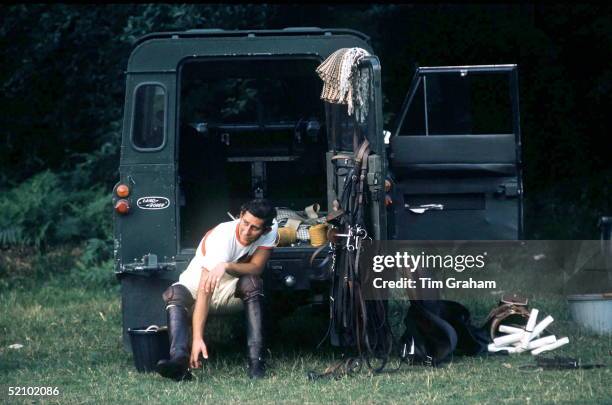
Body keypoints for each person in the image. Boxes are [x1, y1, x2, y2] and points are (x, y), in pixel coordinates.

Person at [156, 199, 278, 380]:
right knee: (175, 294)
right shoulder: (222, 237)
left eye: (255, 228)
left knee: (253, 283)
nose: (246, 231)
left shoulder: (272, 230)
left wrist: (226, 266)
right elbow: (205, 293)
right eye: (245, 223)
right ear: (240, 215)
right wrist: (197, 338)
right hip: (198, 289)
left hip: (228, 289)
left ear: (265, 229)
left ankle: (256, 362)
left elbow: (256, 267)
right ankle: (179, 361)